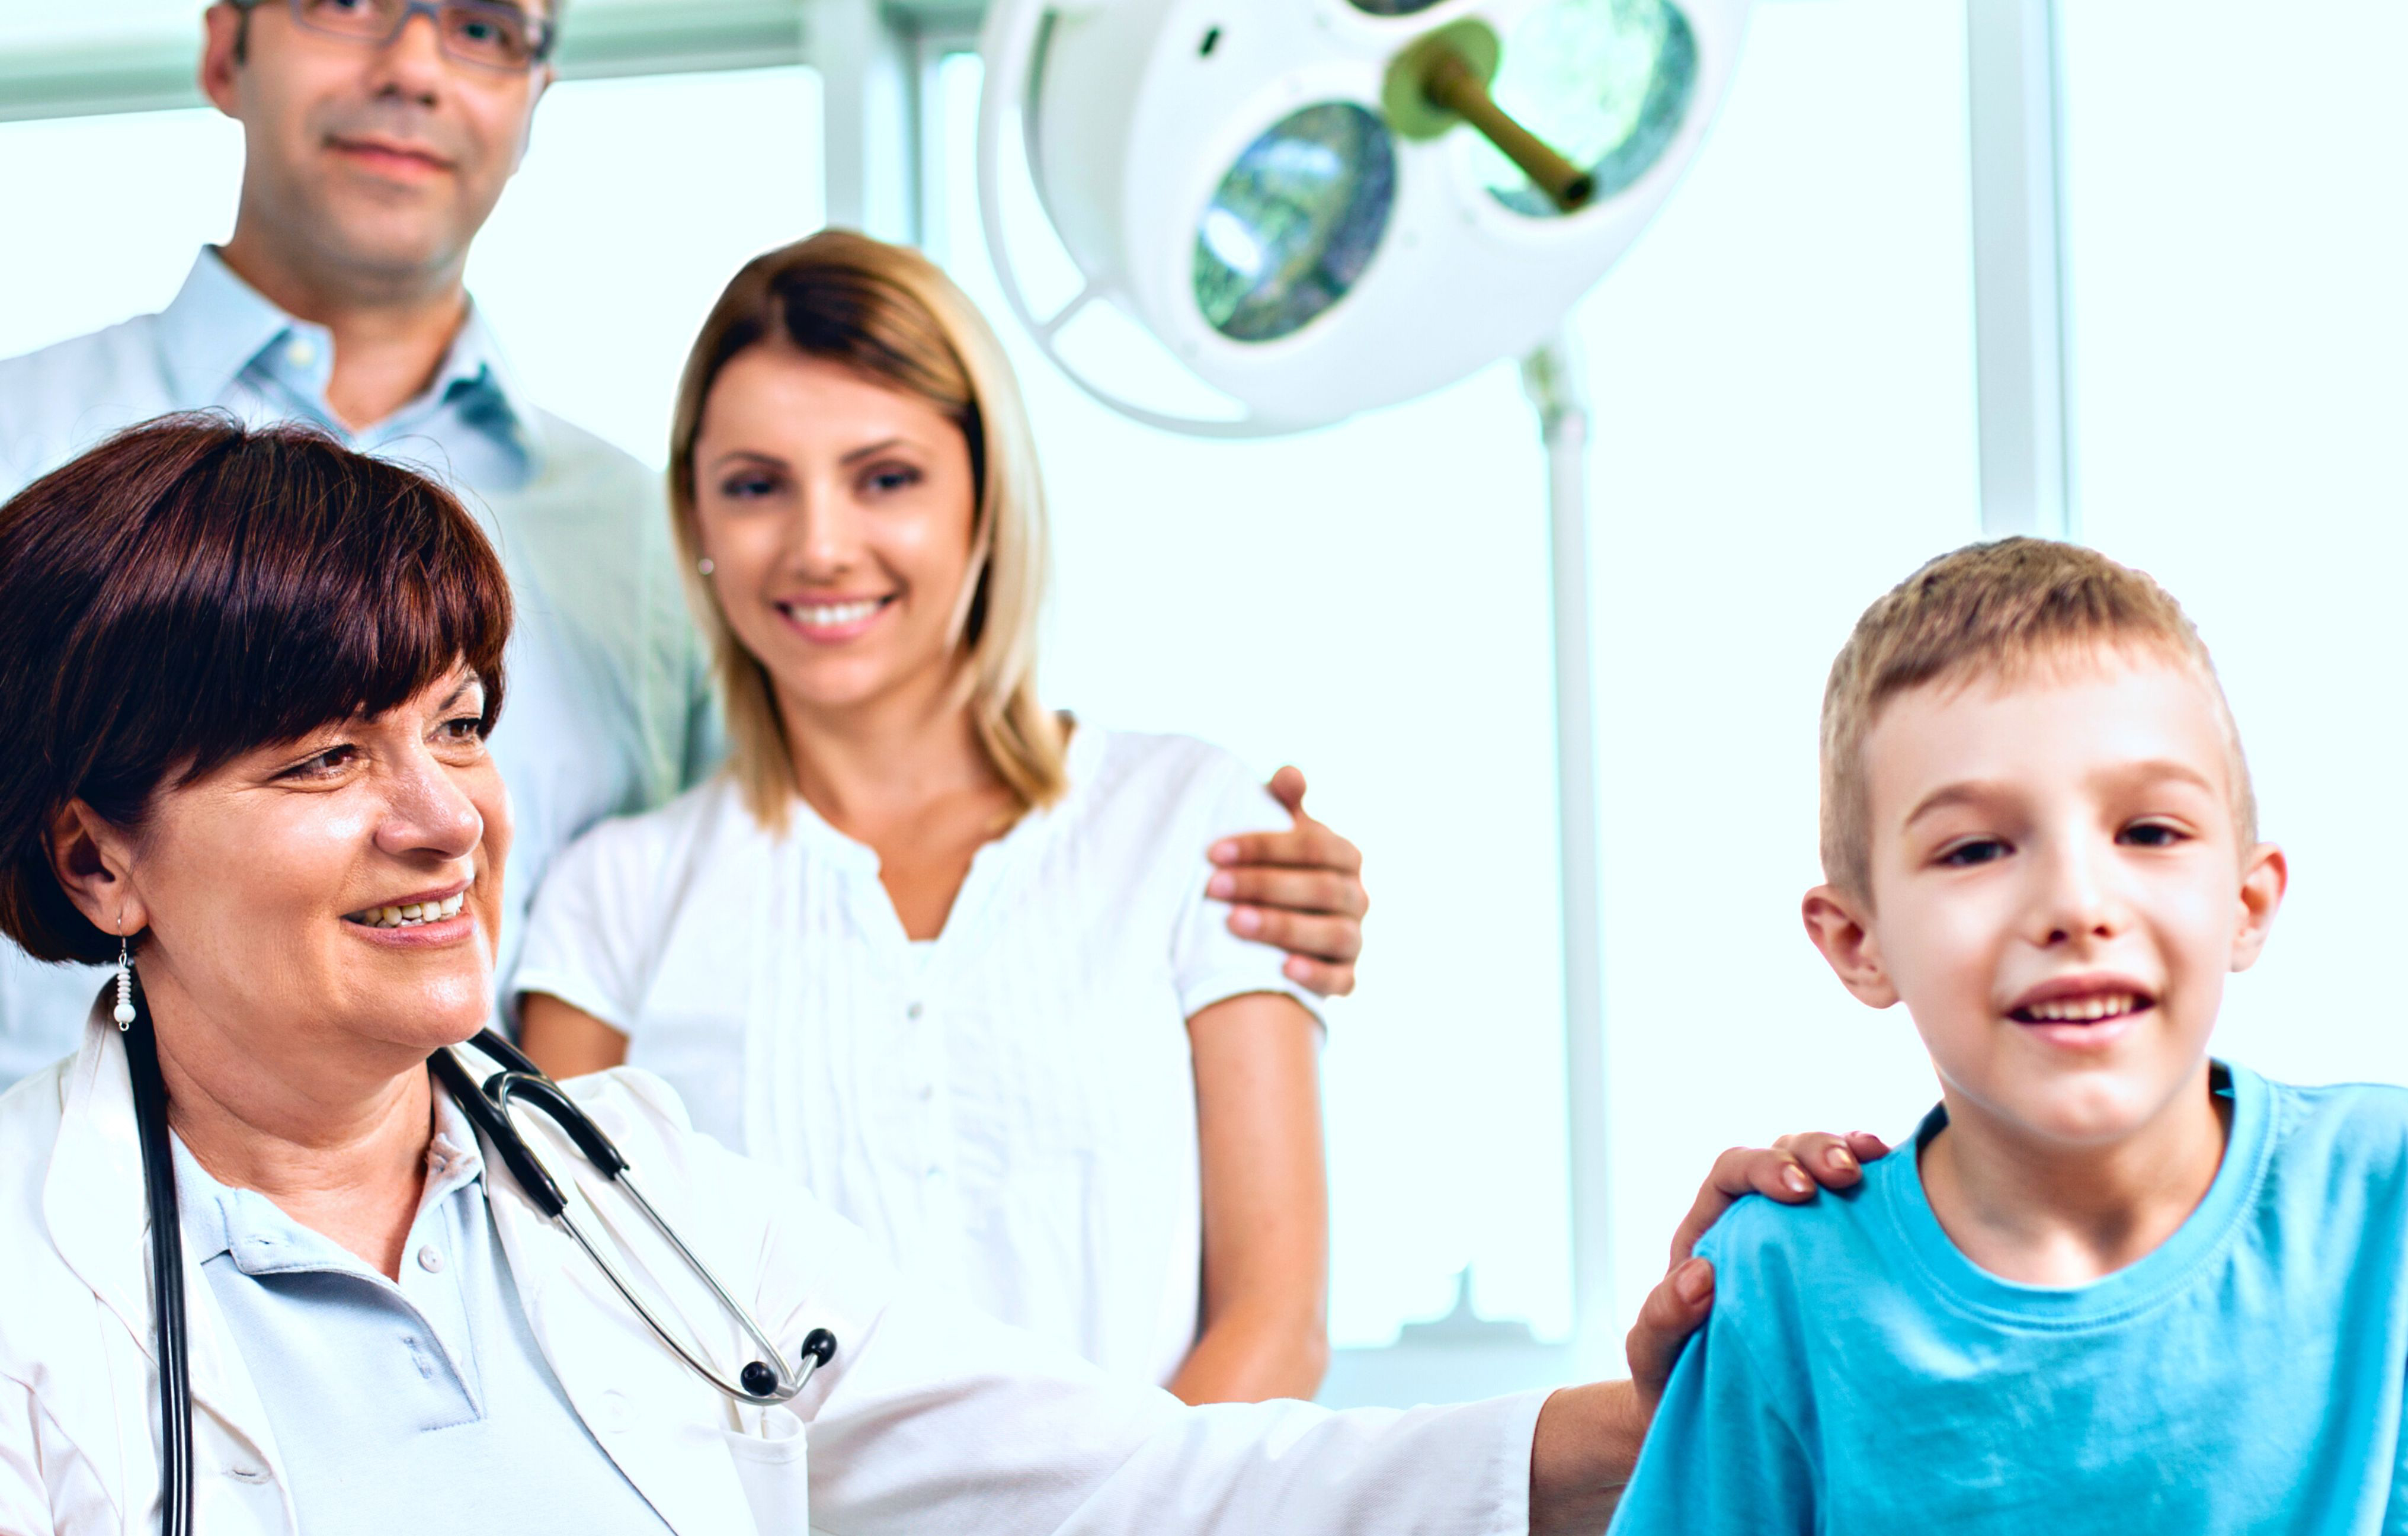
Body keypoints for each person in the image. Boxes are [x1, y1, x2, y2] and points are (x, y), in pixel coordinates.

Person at [0, 417, 1872, 1535]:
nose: (441, 821)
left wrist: (1652, 1421)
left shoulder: (643, 1204)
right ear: (98, 858)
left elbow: (1143, 1489)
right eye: (325, 762)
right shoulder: (30, 1266)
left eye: (460, 728)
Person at [0, 0, 1367, 1088]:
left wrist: (1194, 876)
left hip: (476, 1323)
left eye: (484, 26)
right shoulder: (19, 455)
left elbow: (805, 865)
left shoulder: (645, 547)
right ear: (225, 45)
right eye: (349, 2)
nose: (416, 65)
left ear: (536, 103)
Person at [511, 232, 1324, 1402]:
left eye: (884, 478)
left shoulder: (1193, 827)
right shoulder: (613, 901)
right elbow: (580, 1348)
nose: (819, 546)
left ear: (984, 496)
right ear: (694, 514)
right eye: (755, 486)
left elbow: (1274, 1328)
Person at [1610, 539, 2408, 1532]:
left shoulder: (2388, 1204)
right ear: (1860, 943)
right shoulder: (1781, 1284)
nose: (2076, 905)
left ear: (2246, 904)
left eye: (2149, 832)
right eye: (1977, 848)